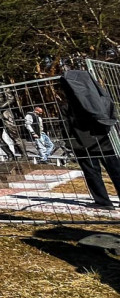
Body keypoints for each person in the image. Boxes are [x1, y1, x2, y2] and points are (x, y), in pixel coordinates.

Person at [61, 70, 120, 209]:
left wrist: (69, 144)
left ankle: (103, 201)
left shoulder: (68, 106)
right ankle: (103, 201)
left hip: (82, 145)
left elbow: (65, 127)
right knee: (116, 171)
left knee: (92, 173)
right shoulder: (101, 99)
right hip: (104, 142)